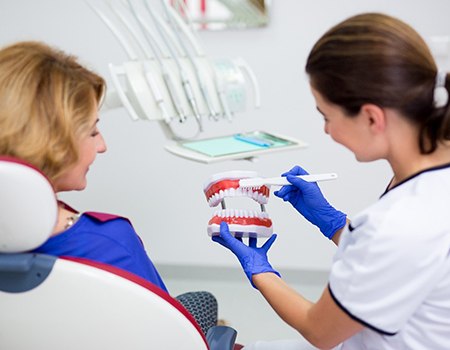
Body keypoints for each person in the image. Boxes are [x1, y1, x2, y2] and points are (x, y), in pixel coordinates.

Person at [212, 12, 450, 349]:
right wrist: (335, 223)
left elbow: (320, 331)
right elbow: (397, 265)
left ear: (371, 117)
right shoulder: (427, 176)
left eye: (326, 116)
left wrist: (259, 270)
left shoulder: (401, 221)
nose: (327, 130)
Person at [0, 41, 167, 292]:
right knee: (202, 300)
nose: (102, 145)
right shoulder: (109, 243)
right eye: (92, 131)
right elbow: (171, 329)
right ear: (54, 143)